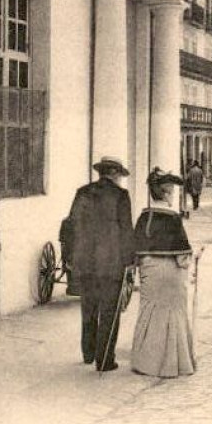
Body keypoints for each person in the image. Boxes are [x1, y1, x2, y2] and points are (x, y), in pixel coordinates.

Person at [65, 155, 135, 371]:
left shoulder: (82, 192)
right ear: (114, 173)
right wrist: (130, 262)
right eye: (119, 175)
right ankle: (104, 360)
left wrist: (70, 257)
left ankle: (88, 352)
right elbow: (126, 231)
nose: (120, 180)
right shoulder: (121, 196)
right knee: (109, 311)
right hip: (110, 264)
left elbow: (70, 226)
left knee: (88, 308)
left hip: (85, 262)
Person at [131, 169, 197, 377]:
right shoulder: (173, 218)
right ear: (167, 194)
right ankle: (173, 363)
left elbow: (136, 249)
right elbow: (182, 255)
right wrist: (193, 259)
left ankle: (146, 362)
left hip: (149, 271)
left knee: (149, 313)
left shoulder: (143, 217)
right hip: (171, 273)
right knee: (173, 313)